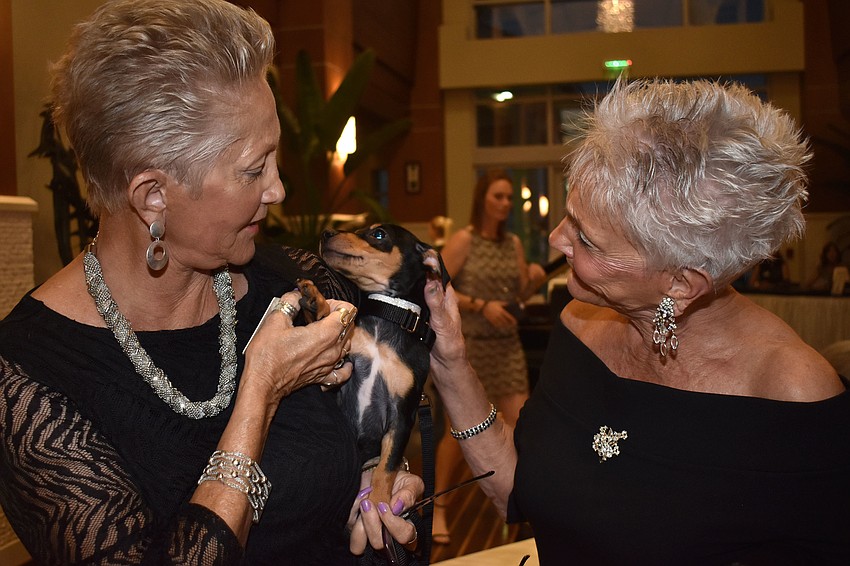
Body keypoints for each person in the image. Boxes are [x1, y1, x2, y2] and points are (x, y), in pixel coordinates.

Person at [0, 1, 422, 564]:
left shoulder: (301, 282)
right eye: (254, 169)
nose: (277, 190)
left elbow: (377, 431)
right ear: (153, 195)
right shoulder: (28, 380)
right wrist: (259, 392)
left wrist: (380, 483)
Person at [423, 78, 850, 564]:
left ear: (681, 284)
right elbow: (523, 491)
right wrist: (452, 362)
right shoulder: (580, 323)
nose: (556, 239)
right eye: (569, 216)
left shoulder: (789, 393)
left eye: (585, 239)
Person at [430, 169, 545, 544]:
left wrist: (533, 280)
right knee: (458, 432)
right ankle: (439, 509)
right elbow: (435, 284)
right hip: (472, 347)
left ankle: (526, 507)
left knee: (521, 424)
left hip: (506, 346)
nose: (505, 204)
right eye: (498, 196)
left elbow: (518, 296)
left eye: (509, 198)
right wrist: (481, 306)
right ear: (483, 199)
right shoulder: (465, 240)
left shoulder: (512, 243)